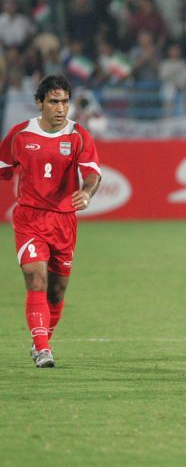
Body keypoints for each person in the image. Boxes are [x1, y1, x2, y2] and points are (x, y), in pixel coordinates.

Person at [0, 75, 102, 368]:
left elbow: (92, 173)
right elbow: (3, 167)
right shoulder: (20, 135)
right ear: (40, 103)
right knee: (36, 279)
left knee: (56, 292)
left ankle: (40, 341)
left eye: (65, 102)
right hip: (30, 219)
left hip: (64, 221)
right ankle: (44, 349)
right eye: (54, 102)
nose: (61, 108)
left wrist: (86, 192)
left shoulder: (77, 134)